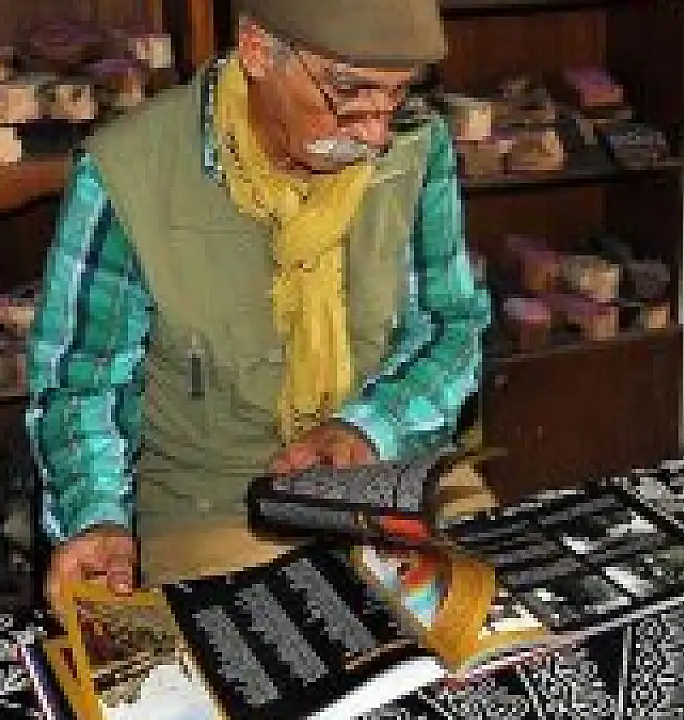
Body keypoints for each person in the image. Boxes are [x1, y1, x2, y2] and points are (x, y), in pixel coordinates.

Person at [28, 0, 490, 605]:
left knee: (503, 630)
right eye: (349, 92)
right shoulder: (127, 173)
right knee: (273, 647)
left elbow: (449, 327)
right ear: (257, 49)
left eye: (397, 94)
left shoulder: (417, 143)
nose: (375, 135)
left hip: (390, 473)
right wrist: (97, 519)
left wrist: (367, 429)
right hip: (218, 505)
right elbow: (81, 386)